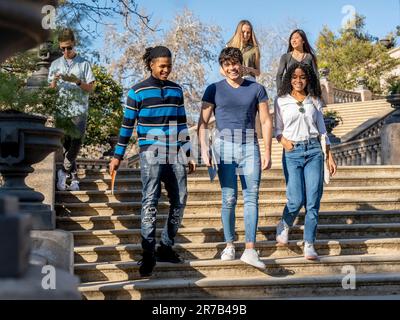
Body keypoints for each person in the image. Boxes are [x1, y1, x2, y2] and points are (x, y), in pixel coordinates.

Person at [109, 46, 196, 277]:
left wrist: (188, 152)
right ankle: (148, 254)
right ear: (151, 65)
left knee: (181, 199)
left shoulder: (177, 91)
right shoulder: (136, 92)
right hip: (151, 152)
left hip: (175, 152)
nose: (166, 69)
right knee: (151, 200)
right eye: (162, 66)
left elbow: (182, 123)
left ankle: (166, 246)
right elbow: (127, 126)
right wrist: (117, 156)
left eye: (169, 65)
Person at [198, 47, 273, 269]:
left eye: (235, 63)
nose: (232, 68)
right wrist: (204, 149)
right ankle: (230, 245)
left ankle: (250, 249)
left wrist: (267, 150)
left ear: (241, 64)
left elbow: (267, 121)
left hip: (250, 146)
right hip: (224, 147)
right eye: (227, 65)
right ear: (222, 69)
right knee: (229, 198)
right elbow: (202, 123)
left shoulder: (257, 89)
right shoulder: (213, 90)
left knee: (252, 197)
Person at [274, 62, 337, 260]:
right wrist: (284, 142)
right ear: (289, 79)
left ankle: (309, 243)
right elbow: (277, 130)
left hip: (314, 151)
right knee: (296, 199)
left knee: (313, 200)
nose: (298, 80)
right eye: (294, 77)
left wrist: (329, 155)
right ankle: (284, 224)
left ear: (308, 79)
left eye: (302, 77)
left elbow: (322, 131)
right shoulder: (281, 100)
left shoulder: (315, 100)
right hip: (292, 152)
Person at [49, 28, 95, 191]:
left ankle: (63, 171)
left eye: (69, 47)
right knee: (65, 145)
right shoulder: (55, 64)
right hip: (62, 109)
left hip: (79, 109)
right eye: (62, 48)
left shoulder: (84, 63)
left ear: (74, 44)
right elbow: (51, 89)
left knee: (77, 141)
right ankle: (73, 177)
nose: (66, 51)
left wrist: (76, 81)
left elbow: (91, 88)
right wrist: (54, 81)